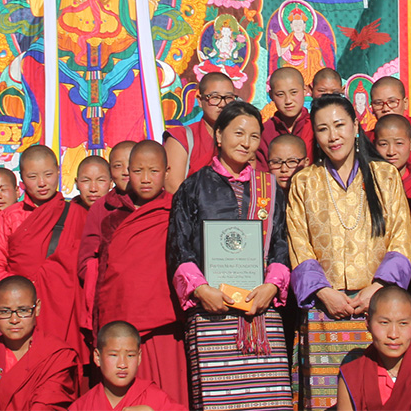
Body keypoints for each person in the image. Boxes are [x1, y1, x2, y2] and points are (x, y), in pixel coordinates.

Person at [287, 95, 411, 410]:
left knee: (374, 397)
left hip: (375, 310)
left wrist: (379, 288)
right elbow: (298, 242)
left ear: (356, 126)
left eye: (340, 125)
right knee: (324, 399)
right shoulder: (304, 182)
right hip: (324, 311)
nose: (333, 136)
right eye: (323, 129)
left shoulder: (385, 176)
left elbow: (400, 237)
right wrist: (324, 292)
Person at [167, 102, 293, 409]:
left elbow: (280, 240)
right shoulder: (192, 187)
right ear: (219, 135)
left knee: (269, 400)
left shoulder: (269, 187)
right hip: (212, 312)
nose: (245, 142)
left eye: (253, 136)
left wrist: (272, 286)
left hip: (261, 310)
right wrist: (200, 289)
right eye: (238, 133)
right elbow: (179, 245)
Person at [92, 141, 188, 404]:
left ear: (167, 171)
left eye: (153, 171)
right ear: (127, 173)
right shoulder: (112, 218)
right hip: (125, 326)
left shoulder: (177, 212)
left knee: (170, 394)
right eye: (137, 171)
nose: (145, 179)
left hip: (167, 326)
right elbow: (105, 279)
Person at [0, 145, 89, 360]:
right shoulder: (9, 218)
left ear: (59, 172)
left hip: (66, 312)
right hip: (21, 314)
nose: (41, 183)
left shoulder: (78, 215)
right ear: (21, 179)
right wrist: (19, 290)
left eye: (48, 175)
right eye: (33, 176)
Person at [0, 275, 80, 411]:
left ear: (37, 308)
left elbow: (47, 405)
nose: (14, 320)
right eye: (5, 311)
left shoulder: (58, 355)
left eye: (23, 310)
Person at [79, 141, 137, 335]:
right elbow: (86, 262)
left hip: (154, 300)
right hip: (112, 300)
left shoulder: (162, 205)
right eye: (117, 166)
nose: (125, 172)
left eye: (130, 164)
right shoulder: (101, 208)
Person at [68, 321, 186, 411]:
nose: (122, 364)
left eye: (130, 355)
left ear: (139, 357)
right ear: (97, 357)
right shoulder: (83, 406)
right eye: (114, 355)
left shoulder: (155, 397)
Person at [165, 72, 237, 192]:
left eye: (229, 98)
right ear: (200, 100)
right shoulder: (182, 137)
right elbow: (173, 187)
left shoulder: (241, 139)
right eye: (215, 97)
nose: (223, 104)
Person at [368, 77, 411, 172]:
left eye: (392, 102)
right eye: (378, 103)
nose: (386, 108)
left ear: (405, 103)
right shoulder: (366, 139)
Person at [259, 67, 313, 166]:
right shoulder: (265, 131)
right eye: (280, 94)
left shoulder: (315, 126)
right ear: (271, 95)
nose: (288, 101)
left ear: (305, 90)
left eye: (294, 93)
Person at [373, 114, 411, 200]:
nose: (391, 152)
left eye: (399, 143)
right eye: (383, 144)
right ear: (375, 144)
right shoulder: (367, 184)